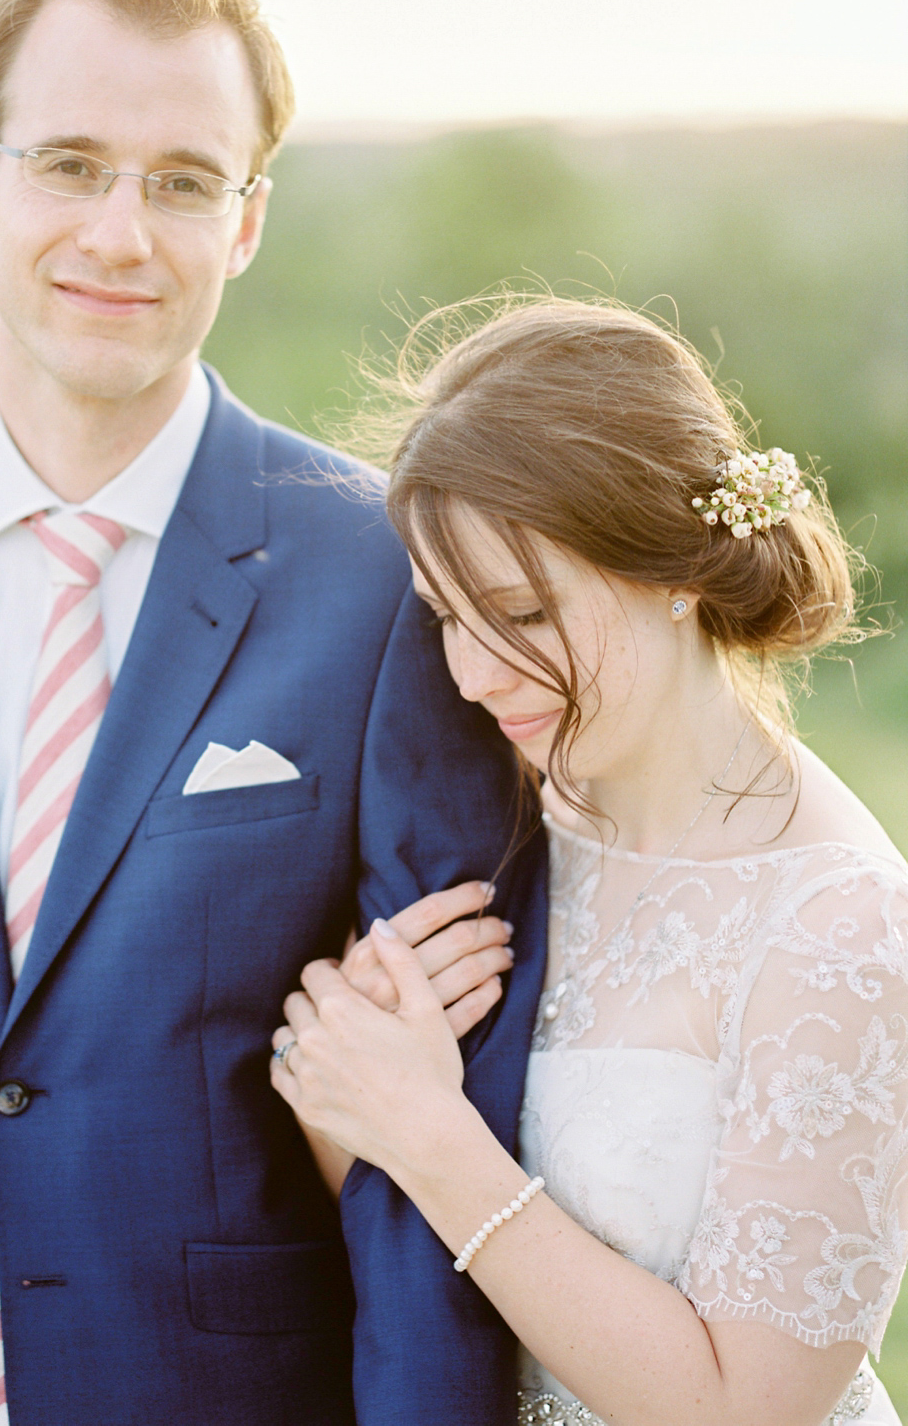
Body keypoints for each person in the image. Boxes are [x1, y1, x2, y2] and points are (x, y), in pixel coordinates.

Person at [0, 0, 548, 1425]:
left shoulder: (381, 580)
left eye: (181, 183)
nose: (119, 231)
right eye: (73, 165)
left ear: (247, 221)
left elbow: (438, 1136)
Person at [273, 295, 908, 1426]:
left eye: (519, 612)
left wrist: (427, 1129)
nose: (472, 676)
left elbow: (748, 1409)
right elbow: (399, 1209)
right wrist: (348, 1075)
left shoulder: (841, 929)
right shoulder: (491, 815)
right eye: (444, 619)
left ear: (674, 567)